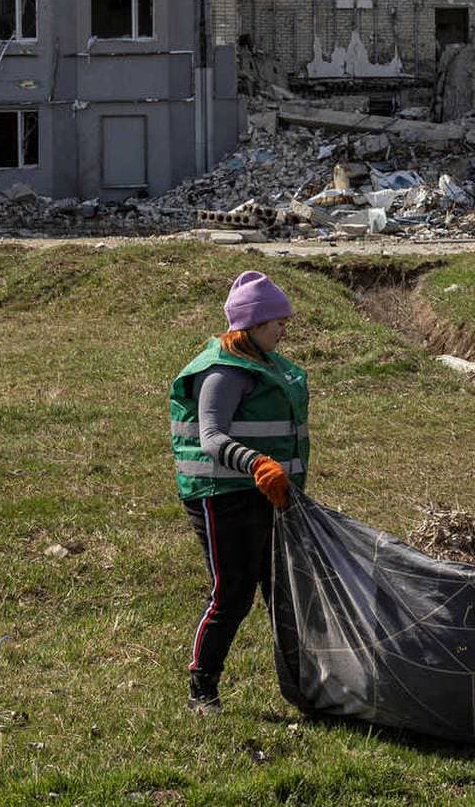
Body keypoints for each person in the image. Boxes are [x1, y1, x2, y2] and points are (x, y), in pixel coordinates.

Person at [168, 270, 309, 713]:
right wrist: (257, 464)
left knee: (280, 592)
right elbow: (211, 437)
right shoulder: (224, 372)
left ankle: (306, 687)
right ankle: (202, 690)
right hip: (222, 496)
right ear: (251, 324)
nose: (285, 329)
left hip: (269, 495)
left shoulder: (272, 365)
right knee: (232, 594)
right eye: (277, 322)